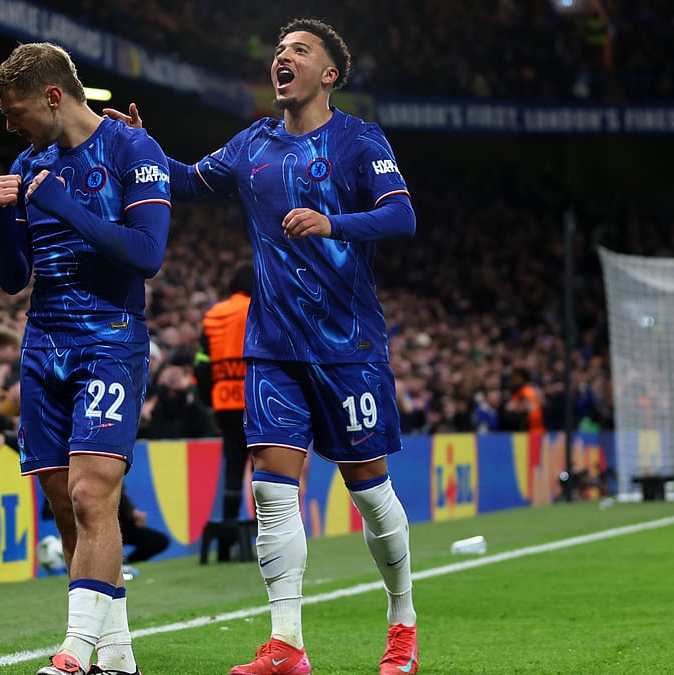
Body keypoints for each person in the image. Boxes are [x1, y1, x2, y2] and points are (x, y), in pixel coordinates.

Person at [105, 18, 418, 675]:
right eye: (280, 50)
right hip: (272, 347)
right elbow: (187, 181)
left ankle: (402, 623)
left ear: (329, 73)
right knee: (273, 491)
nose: (284, 57)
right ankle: (286, 643)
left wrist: (335, 221)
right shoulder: (253, 145)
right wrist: (140, 147)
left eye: (299, 50)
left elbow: (399, 214)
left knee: (368, 490)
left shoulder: (360, 139)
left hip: (348, 347)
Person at [0, 41, 171, 675]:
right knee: (66, 505)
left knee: (94, 495)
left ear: (53, 96)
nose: (10, 125)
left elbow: (148, 253)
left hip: (110, 338)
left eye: (16, 111)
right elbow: (12, 278)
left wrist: (61, 203)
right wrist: (2, 214)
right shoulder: (27, 160)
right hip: (44, 343)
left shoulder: (131, 149)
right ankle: (115, 654)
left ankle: (73, 653)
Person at [202, 263, 255, 554]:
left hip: (225, 404)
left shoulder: (214, 313)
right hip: (257, 401)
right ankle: (269, 538)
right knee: (265, 471)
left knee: (233, 473)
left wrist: (211, 399)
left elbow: (201, 362)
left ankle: (225, 543)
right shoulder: (259, 308)